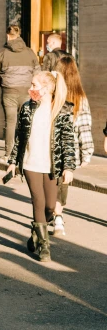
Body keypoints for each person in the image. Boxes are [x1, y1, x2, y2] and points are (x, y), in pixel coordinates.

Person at [6, 71, 75, 262]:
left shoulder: (62, 110)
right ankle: (44, 247)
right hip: (31, 162)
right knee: (38, 200)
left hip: (52, 165)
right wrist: (13, 162)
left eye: (35, 85)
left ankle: (36, 233)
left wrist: (69, 167)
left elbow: (69, 141)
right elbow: (19, 137)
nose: (31, 88)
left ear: (47, 88)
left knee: (51, 206)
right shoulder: (27, 107)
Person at [52, 55, 94, 235]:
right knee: (63, 182)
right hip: (70, 150)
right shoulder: (80, 98)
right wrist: (87, 152)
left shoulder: (53, 94)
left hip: (51, 146)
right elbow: (84, 127)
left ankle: (54, 213)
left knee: (53, 181)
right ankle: (57, 216)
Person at [0, 25, 40, 161]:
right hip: (27, 92)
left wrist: (3, 83)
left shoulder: (1, 53)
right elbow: (38, 72)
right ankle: (28, 153)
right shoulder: (30, 52)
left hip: (9, 93)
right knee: (28, 122)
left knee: (11, 123)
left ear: (7, 36)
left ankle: (9, 154)